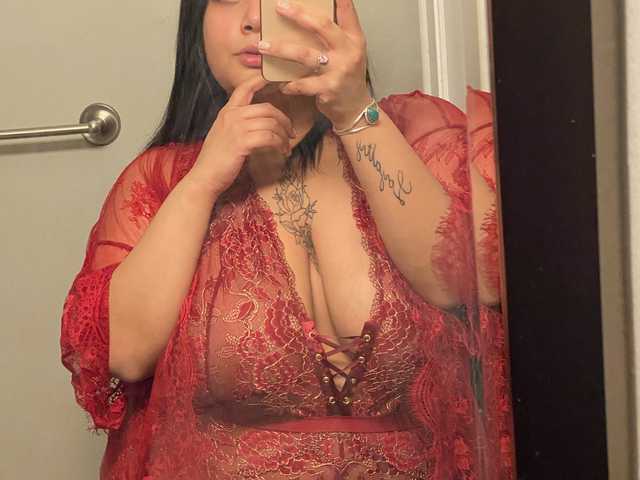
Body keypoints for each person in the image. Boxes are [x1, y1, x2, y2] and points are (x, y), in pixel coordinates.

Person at [60, 0, 505, 478]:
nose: (253, 18)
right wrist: (202, 182)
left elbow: (480, 282)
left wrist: (355, 111)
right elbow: (124, 355)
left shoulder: (418, 133)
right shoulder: (164, 179)